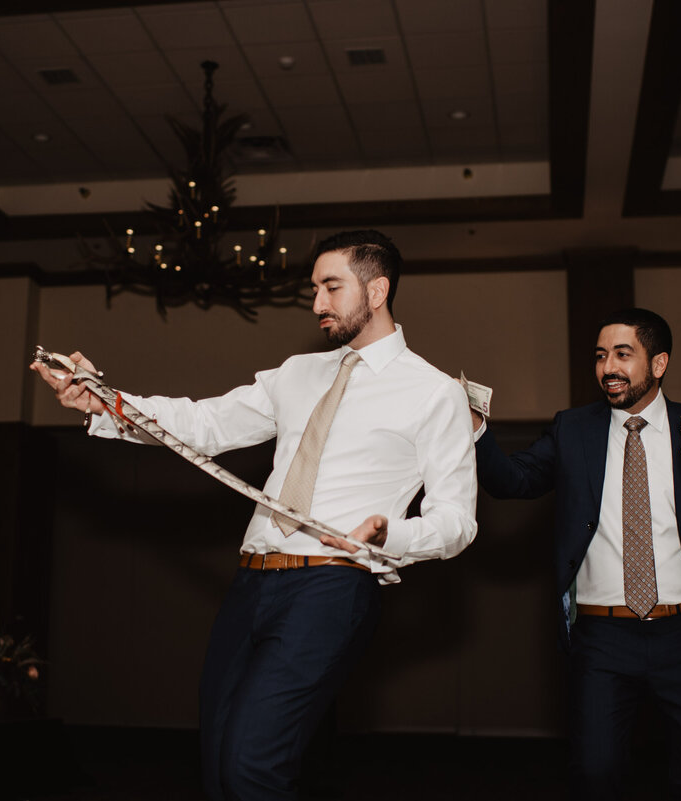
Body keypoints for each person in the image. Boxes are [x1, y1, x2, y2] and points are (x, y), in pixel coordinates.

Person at [31, 230, 477, 801]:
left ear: (377, 289)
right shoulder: (296, 373)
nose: (316, 303)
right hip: (251, 583)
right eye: (314, 288)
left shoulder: (434, 393)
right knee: (219, 766)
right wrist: (104, 400)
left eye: (331, 287)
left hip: (332, 588)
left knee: (252, 766)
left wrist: (395, 533)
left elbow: (457, 521)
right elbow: (205, 425)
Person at [472, 308, 681, 801]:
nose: (607, 366)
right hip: (602, 639)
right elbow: (515, 481)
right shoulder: (573, 430)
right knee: (594, 774)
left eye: (622, 354)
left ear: (658, 364)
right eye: (600, 356)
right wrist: (477, 432)